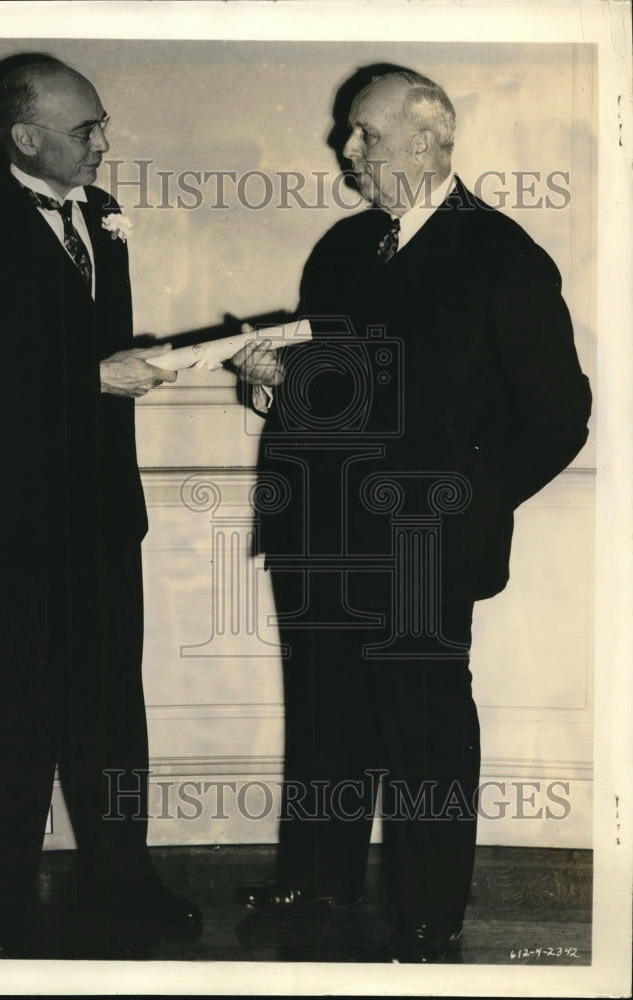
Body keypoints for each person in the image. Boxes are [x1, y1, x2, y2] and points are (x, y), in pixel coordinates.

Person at [232, 69, 591, 962]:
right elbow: (335, 393)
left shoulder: (503, 255)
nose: (346, 153)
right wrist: (273, 386)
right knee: (324, 712)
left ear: (431, 139)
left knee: (422, 727)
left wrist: (459, 505)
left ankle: (431, 911)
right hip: (317, 530)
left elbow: (557, 417)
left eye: (364, 135)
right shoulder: (347, 250)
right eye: (350, 136)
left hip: (422, 544)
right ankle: (319, 876)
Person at [0, 54, 200, 958]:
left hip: (107, 515)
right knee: (14, 714)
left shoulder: (98, 219)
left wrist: (137, 362)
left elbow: (81, 352)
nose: (104, 144)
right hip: (16, 525)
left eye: (102, 123)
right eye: (86, 131)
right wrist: (92, 376)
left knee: (114, 710)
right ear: (24, 136)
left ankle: (126, 882)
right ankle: (1, 909)